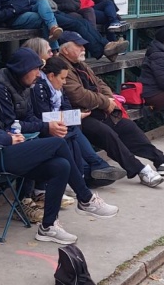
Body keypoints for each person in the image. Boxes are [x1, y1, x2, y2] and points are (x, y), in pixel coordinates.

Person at [0, 61, 118, 244]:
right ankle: (85, 198)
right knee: (57, 144)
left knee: (60, 166)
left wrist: (8, 135)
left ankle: (48, 227)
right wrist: (6, 139)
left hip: (7, 150)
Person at [57, 35, 164, 185]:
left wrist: (108, 98)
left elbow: (100, 83)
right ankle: (140, 170)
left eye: (83, 45)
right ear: (65, 50)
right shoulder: (61, 66)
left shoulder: (80, 64)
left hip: (98, 109)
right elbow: (77, 95)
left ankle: (160, 160)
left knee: (128, 127)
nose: (83, 48)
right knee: (107, 133)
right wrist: (106, 102)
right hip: (80, 115)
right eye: (78, 46)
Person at [31, 53, 127, 187]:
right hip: (46, 128)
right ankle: (89, 172)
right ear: (51, 76)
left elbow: (66, 106)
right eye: (62, 78)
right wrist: (70, 116)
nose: (64, 82)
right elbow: (43, 115)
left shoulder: (58, 88)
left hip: (60, 124)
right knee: (70, 131)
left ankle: (95, 167)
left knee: (73, 129)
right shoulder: (39, 88)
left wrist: (71, 116)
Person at [41, 0, 127, 60]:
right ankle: (104, 49)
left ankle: (109, 44)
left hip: (78, 8)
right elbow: (53, 5)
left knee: (90, 18)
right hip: (65, 12)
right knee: (81, 21)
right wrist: (73, 5)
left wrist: (76, 3)